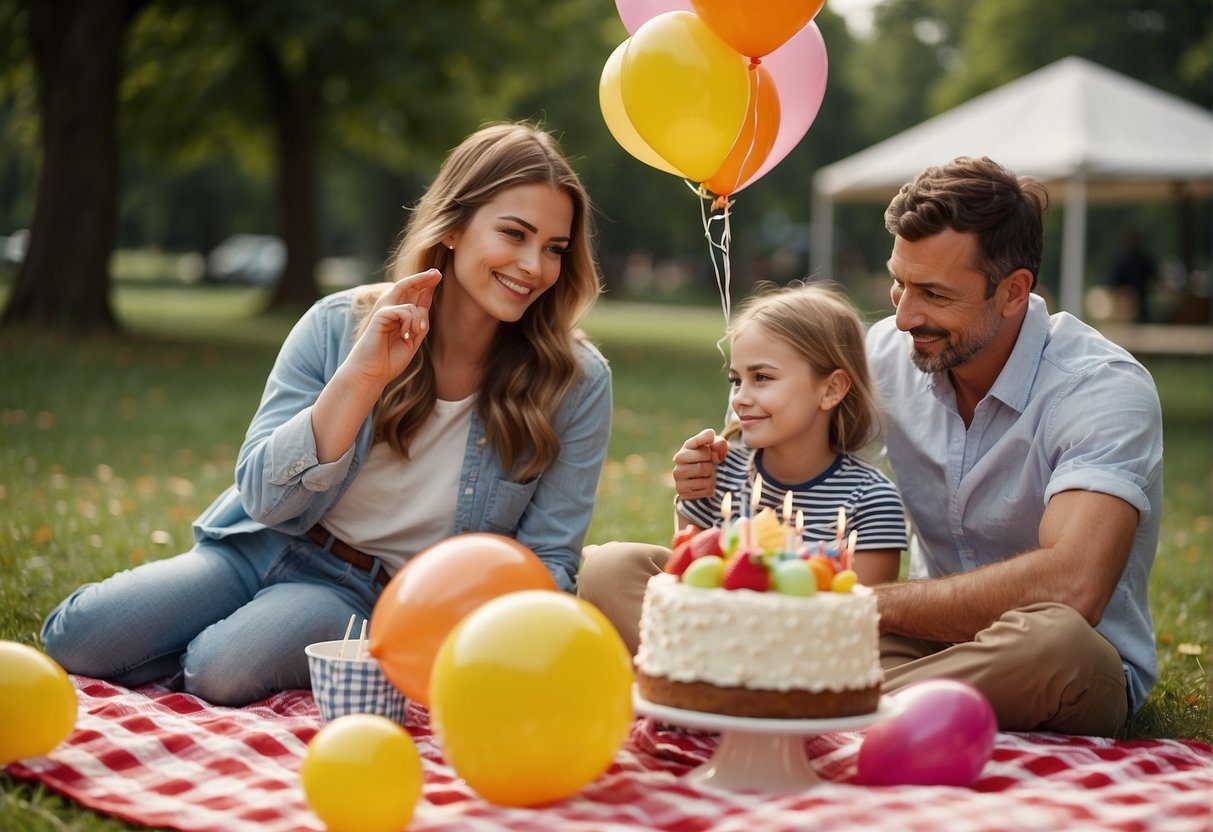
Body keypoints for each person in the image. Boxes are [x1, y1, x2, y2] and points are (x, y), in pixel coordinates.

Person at [41, 122, 613, 706]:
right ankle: (199, 640)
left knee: (220, 670)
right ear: (455, 225)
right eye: (514, 234)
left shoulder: (575, 382)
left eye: (554, 249)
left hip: (370, 595)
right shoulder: (340, 323)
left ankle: (211, 649)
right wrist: (362, 375)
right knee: (77, 640)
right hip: (258, 542)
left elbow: (549, 560)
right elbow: (264, 495)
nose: (534, 266)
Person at [866, 156, 1162, 736]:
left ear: (1013, 292)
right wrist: (713, 475)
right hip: (920, 646)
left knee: (1053, 641)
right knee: (632, 568)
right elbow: (789, 474)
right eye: (898, 282)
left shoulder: (1102, 388)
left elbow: (1072, 586)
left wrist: (864, 605)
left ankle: (811, 698)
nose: (903, 316)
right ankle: (874, 702)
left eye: (933, 293)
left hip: (1054, 664)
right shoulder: (886, 353)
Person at [579, 282, 908, 655]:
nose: (740, 398)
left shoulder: (871, 500)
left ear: (831, 390)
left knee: (893, 656)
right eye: (736, 380)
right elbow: (685, 590)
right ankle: (695, 684)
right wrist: (689, 501)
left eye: (762, 378)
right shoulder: (719, 472)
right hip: (707, 639)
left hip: (806, 659)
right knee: (610, 565)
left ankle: (698, 692)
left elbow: (855, 626)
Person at [1108, 226, 1157, 323]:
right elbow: (1113, 285)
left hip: (1140, 302)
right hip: (1124, 304)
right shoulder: (1120, 260)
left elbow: (1154, 276)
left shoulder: (1143, 259)